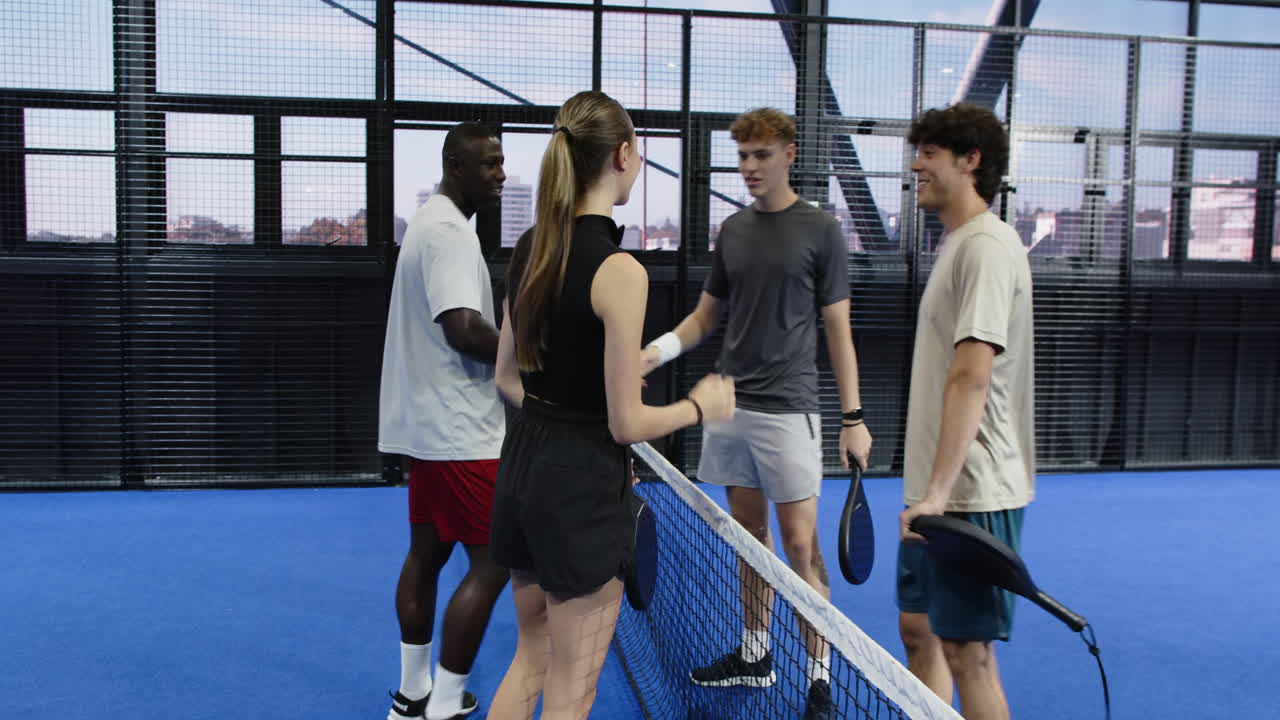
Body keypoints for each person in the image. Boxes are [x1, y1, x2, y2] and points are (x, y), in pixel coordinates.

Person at [486, 90, 736, 720]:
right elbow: (627, 423)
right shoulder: (620, 270)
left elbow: (507, 379)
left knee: (530, 661)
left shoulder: (530, 249)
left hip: (521, 473)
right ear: (623, 155)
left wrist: (568, 411)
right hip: (581, 494)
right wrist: (700, 407)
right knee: (573, 692)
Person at [642, 107, 873, 720]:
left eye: (761, 155)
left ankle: (821, 678)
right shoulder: (732, 232)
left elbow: (839, 330)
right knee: (749, 542)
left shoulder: (822, 231)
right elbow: (704, 318)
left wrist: (853, 417)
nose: (748, 166)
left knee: (800, 546)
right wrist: (656, 351)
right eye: (742, 155)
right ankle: (755, 652)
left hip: (791, 410)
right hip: (730, 409)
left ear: (789, 155)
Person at [896, 103, 1035, 720]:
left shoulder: (987, 247)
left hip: (970, 495)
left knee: (967, 652)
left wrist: (937, 496)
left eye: (929, 152)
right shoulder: (958, 244)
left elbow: (971, 374)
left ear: (970, 160)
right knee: (918, 629)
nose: (915, 165)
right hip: (937, 491)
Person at [377, 122, 511, 720]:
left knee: (426, 555)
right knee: (494, 562)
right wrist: (533, 354)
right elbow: (464, 330)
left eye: (502, 164)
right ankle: (447, 703)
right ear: (456, 166)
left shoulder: (428, 226)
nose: (501, 176)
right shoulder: (449, 234)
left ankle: (413, 695)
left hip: (429, 430)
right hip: (462, 430)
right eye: (489, 165)